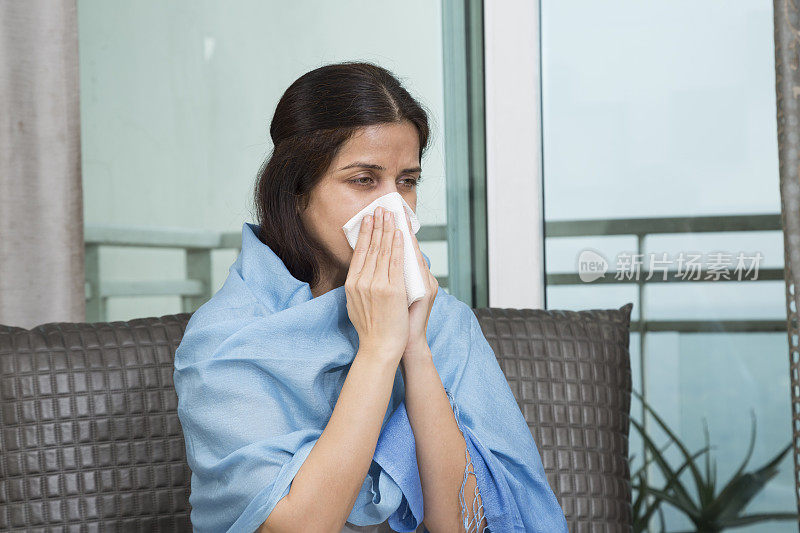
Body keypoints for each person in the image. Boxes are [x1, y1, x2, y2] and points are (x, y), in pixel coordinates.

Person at [173, 61, 568, 533]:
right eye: (364, 180)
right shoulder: (226, 338)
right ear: (297, 191)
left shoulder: (443, 321)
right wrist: (379, 351)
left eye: (407, 181)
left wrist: (414, 348)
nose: (394, 207)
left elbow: (466, 525)